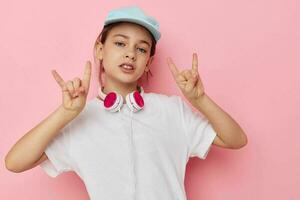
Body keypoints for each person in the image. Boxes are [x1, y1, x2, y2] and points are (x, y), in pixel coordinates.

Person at [5, 5, 248, 200]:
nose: (130, 53)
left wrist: (200, 100)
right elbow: (14, 162)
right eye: (120, 43)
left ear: (149, 62)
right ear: (100, 49)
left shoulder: (172, 111)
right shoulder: (79, 121)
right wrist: (64, 114)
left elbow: (236, 139)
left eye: (141, 49)